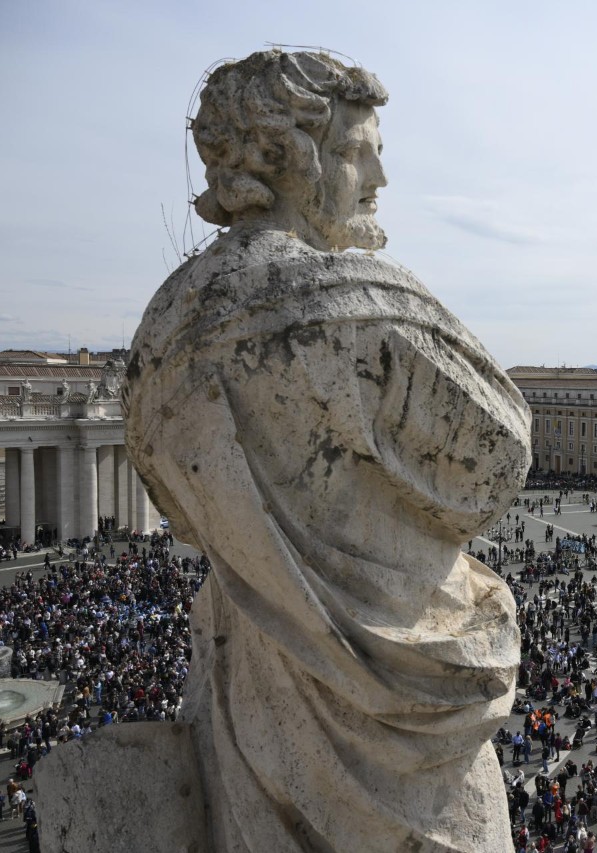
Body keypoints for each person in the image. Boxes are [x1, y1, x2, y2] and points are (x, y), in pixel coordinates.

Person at [121, 50, 531, 853]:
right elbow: (497, 464)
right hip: (414, 746)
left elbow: (182, 514)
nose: (379, 174)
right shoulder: (367, 311)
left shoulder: (159, 340)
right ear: (287, 160)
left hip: (255, 716)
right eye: (353, 151)